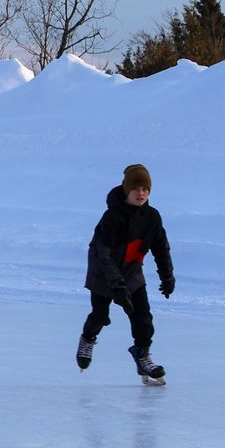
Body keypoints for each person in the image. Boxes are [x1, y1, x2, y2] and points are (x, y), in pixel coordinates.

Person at [78, 164, 174, 383]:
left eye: (145, 189)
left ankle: (143, 356)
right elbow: (104, 255)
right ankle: (87, 339)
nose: (141, 193)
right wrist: (117, 286)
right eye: (136, 189)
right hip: (103, 273)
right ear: (126, 190)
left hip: (131, 272)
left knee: (143, 318)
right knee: (101, 316)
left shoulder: (152, 217)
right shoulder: (112, 218)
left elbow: (161, 248)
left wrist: (167, 276)